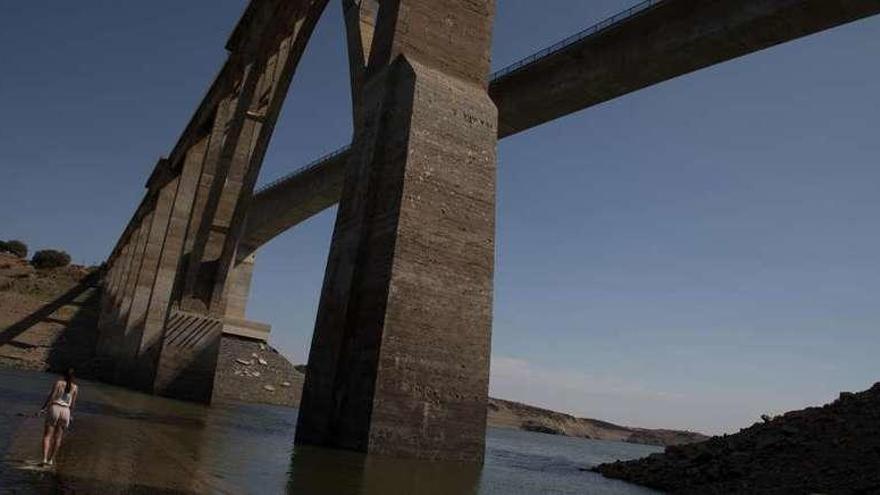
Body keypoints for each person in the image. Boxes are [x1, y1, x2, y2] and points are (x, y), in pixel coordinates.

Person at [39, 368, 78, 466]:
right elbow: (73, 404)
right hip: (66, 411)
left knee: (47, 435)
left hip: (55, 408)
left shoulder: (59, 383)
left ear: (63, 375)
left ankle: (44, 459)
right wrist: (71, 415)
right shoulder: (75, 387)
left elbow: (52, 397)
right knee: (58, 437)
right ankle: (51, 460)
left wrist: (43, 408)